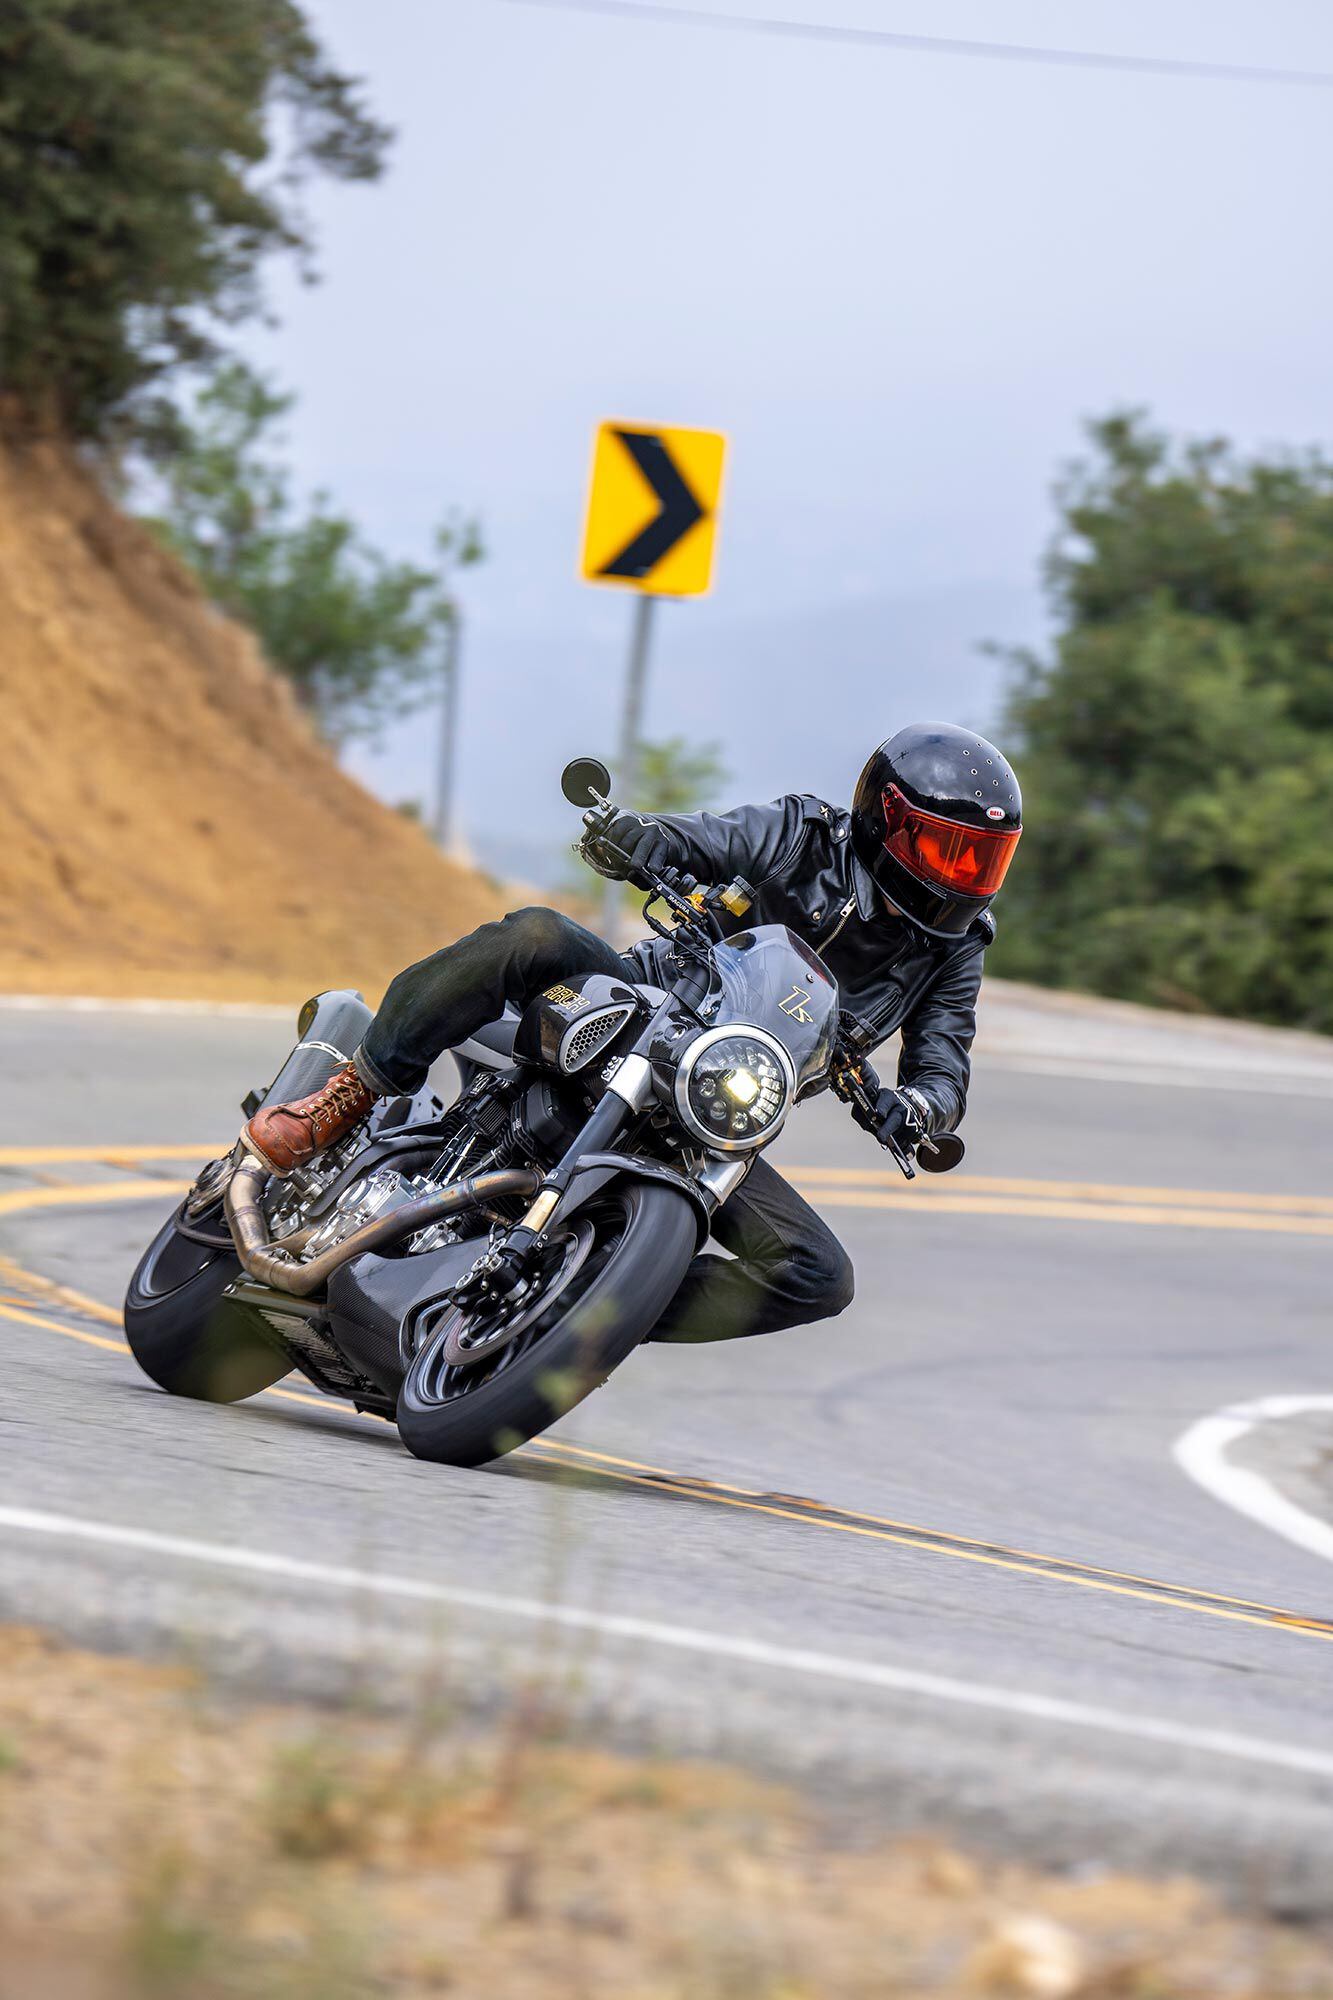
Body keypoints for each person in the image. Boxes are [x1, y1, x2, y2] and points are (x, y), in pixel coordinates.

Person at [243, 722, 1022, 1343]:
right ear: (885, 821)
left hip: (718, 1111)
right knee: (537, 936)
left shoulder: (954, 949)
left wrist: (918, 1109)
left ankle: (586, 1311)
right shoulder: (804, 835)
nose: (961, 875)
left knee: (817, 1275)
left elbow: (943, 1058)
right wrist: (644, 841)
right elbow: (713, 839)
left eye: (981, 861)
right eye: (946, 850)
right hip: (643, 1005)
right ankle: (354, 1092)